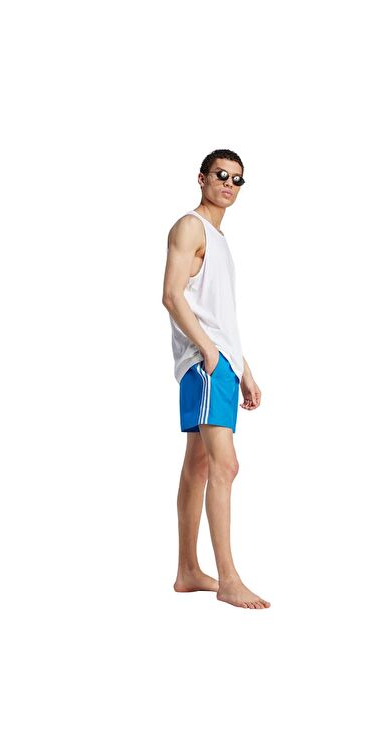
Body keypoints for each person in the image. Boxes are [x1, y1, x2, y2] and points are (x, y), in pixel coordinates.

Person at [162, 148, 270, 609]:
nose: (229, 183)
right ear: (202, 177)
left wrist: (244, 369)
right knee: (226, 466)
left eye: (237, 179)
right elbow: (171, 295)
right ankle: (228, 579)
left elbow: (219, 316)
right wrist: (208, 351)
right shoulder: (191, 226)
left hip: (222, 364)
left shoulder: (218, 239)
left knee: (201, 465)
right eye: (221, 175)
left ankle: (188, 571)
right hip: (207, 365)